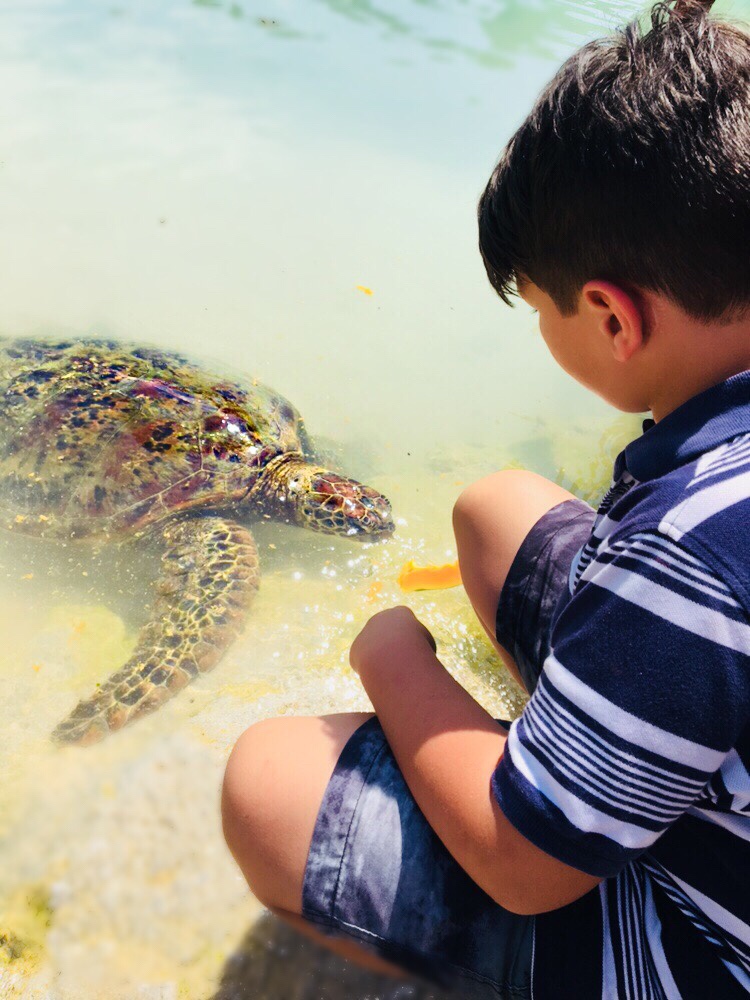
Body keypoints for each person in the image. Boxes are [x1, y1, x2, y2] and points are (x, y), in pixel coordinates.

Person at [221, 1, 750, 996]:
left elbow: (522, 865)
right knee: (493, 507)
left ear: (608, 316)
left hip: (702, 946)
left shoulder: (686, 554)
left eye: (542, 310)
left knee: (265, 782)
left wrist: (394, 661)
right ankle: (605, 759)